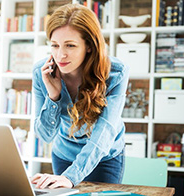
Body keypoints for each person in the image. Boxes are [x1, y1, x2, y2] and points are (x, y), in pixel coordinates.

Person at [30, 4, 129, 189]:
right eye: (55, 45)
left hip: (105, 156)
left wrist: (72, 176)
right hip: (64, 155)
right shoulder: (41, 73)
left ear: (89, 46)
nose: (60, 55)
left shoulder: (116, 73)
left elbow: (104, 132)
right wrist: (53, 96)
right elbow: (45, 135)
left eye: (70, 45)